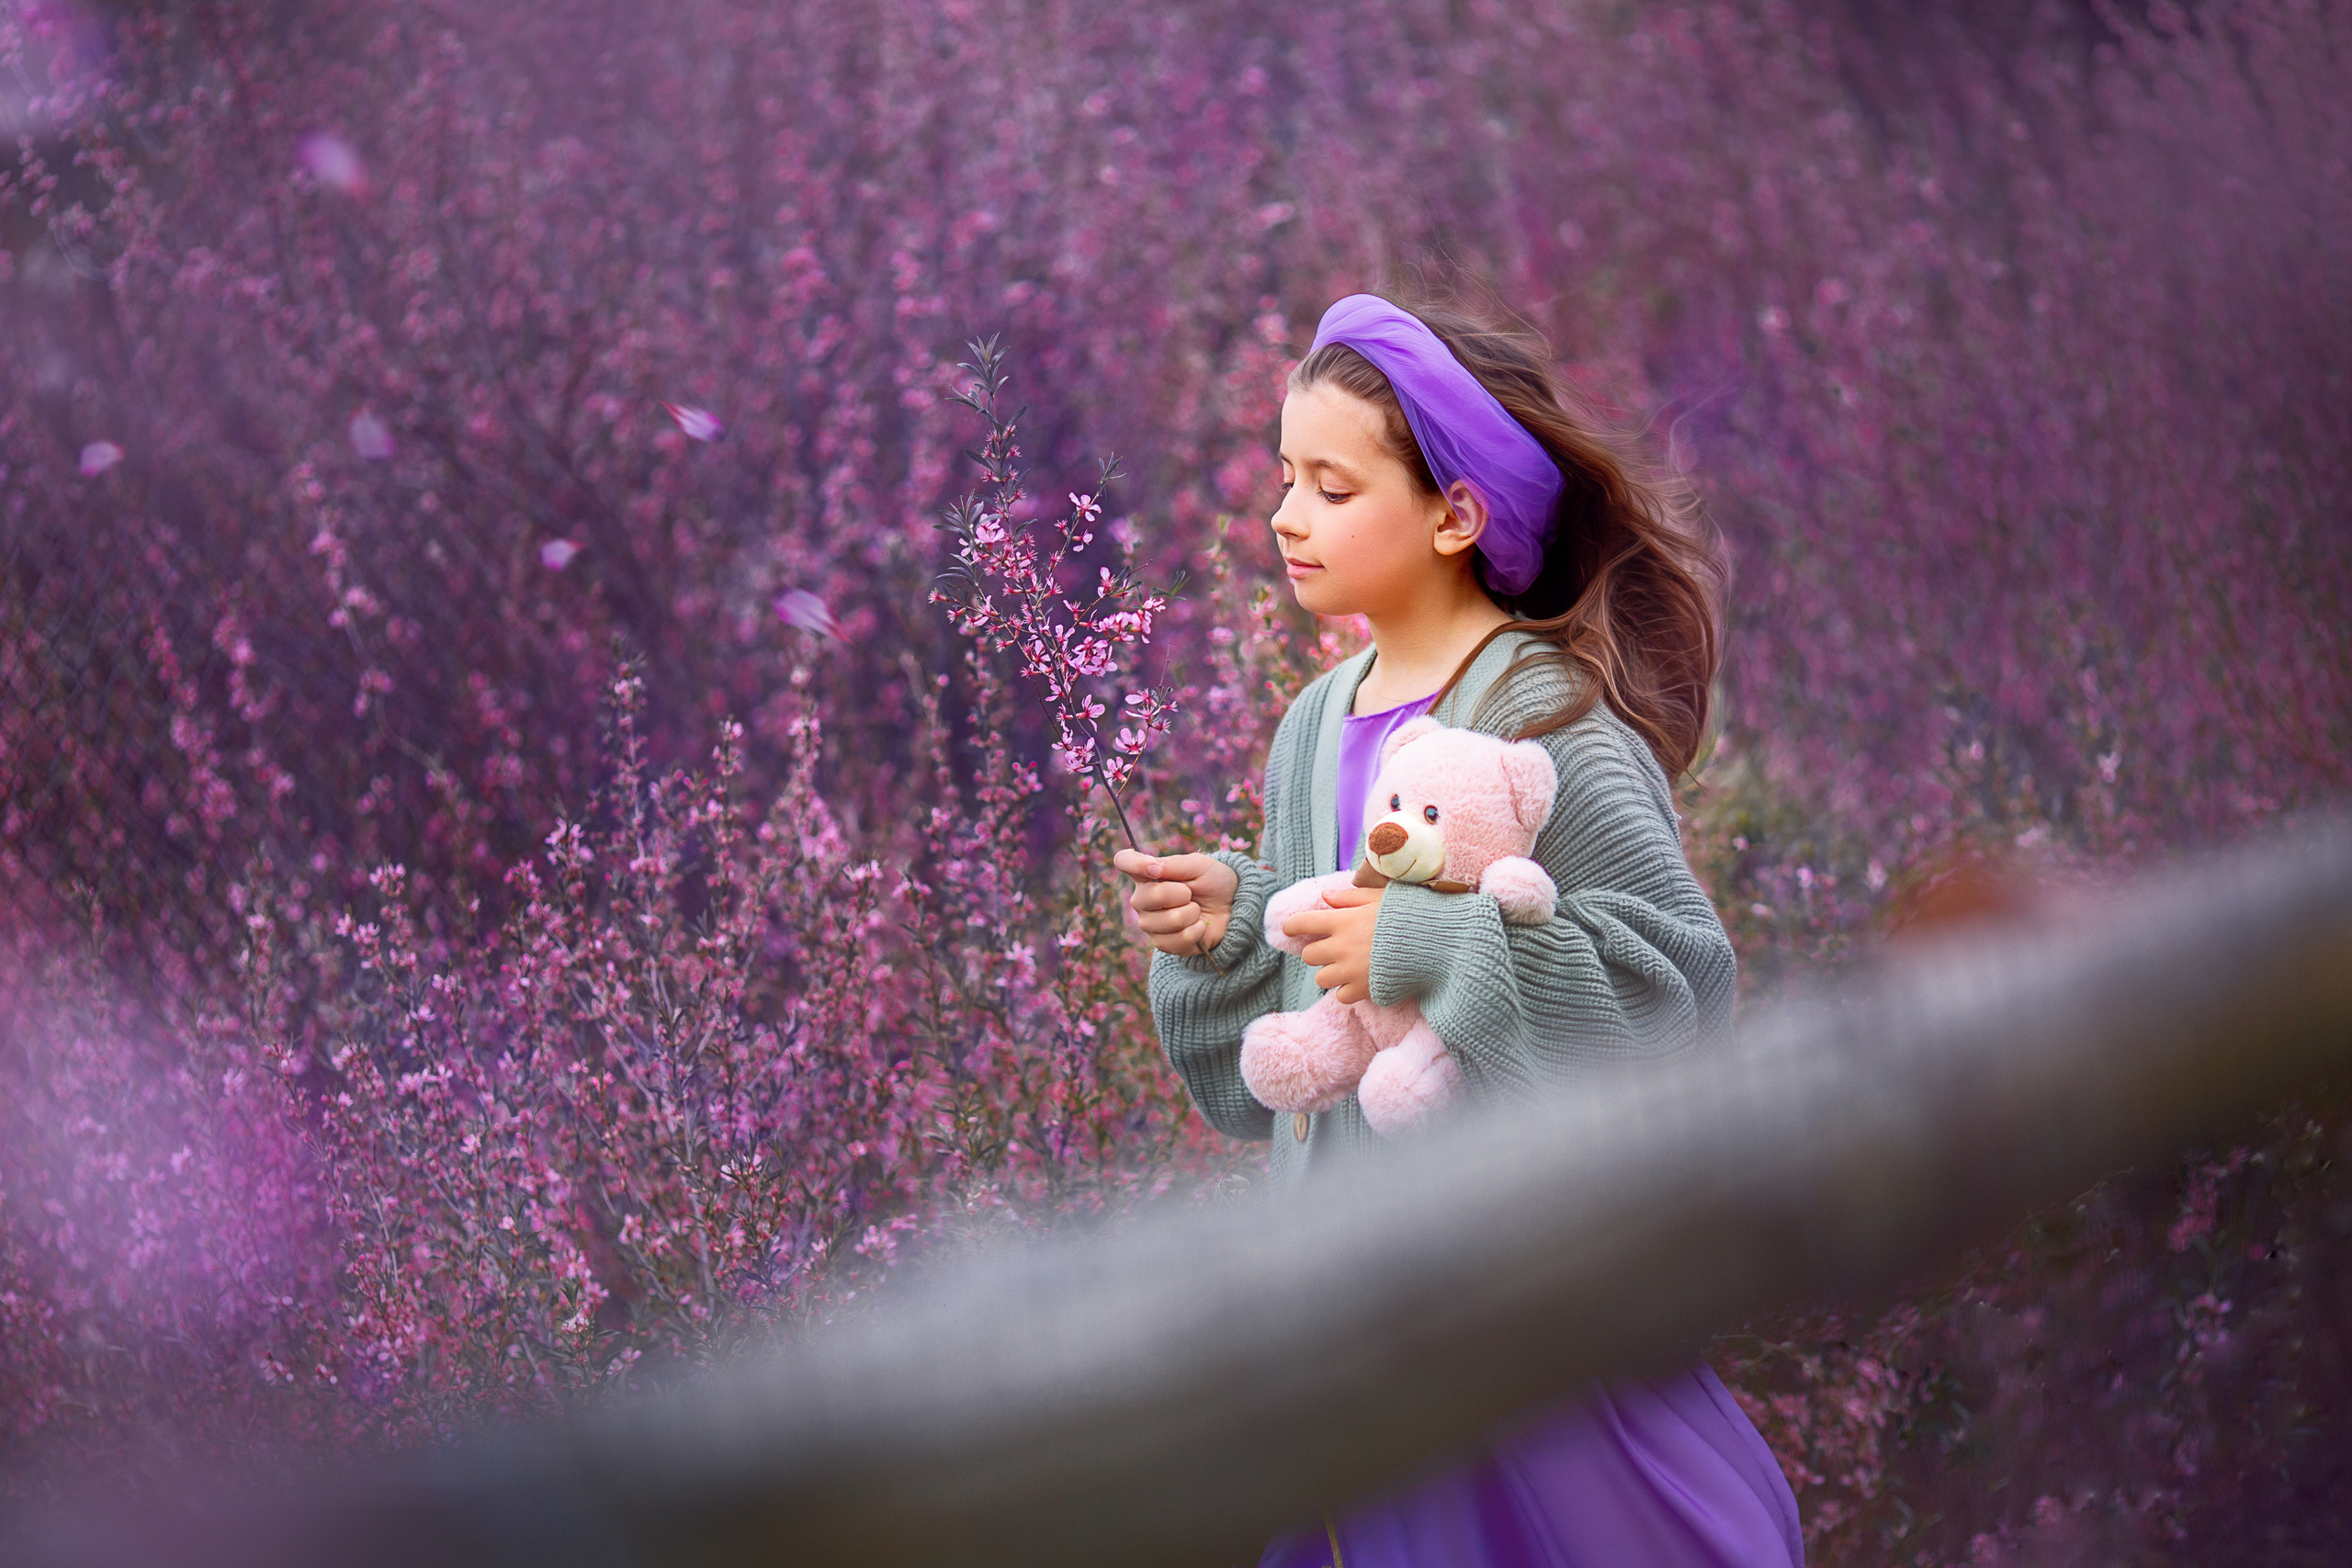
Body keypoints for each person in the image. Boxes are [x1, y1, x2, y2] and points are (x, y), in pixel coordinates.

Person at [1112, 292, 1805, 1568]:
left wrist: (1436, 948)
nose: (1285, 516)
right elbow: (1315, 1039)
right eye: (1286, 478)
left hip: (1518, 1317)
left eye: (1332, 487)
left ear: (1457, 516)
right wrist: (1234, 928)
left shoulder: (1550, 720)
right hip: (1352, 1326)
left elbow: (1676, 997)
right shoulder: (1315, 724)